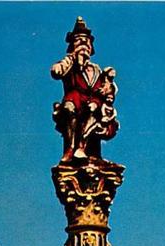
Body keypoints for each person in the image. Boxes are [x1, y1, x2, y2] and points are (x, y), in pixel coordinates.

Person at [51, 17, 119, 161]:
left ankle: (82, 146)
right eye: (79, 40)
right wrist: (70, 59)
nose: (84, 44)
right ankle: (71, 148)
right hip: (74, 99)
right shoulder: (70, 65)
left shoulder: (96, 69)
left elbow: (107, 90)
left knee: (94, 107)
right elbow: (56, 72)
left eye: (86, 41)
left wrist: (108, 87)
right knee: (69, 107)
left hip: (92, 103)